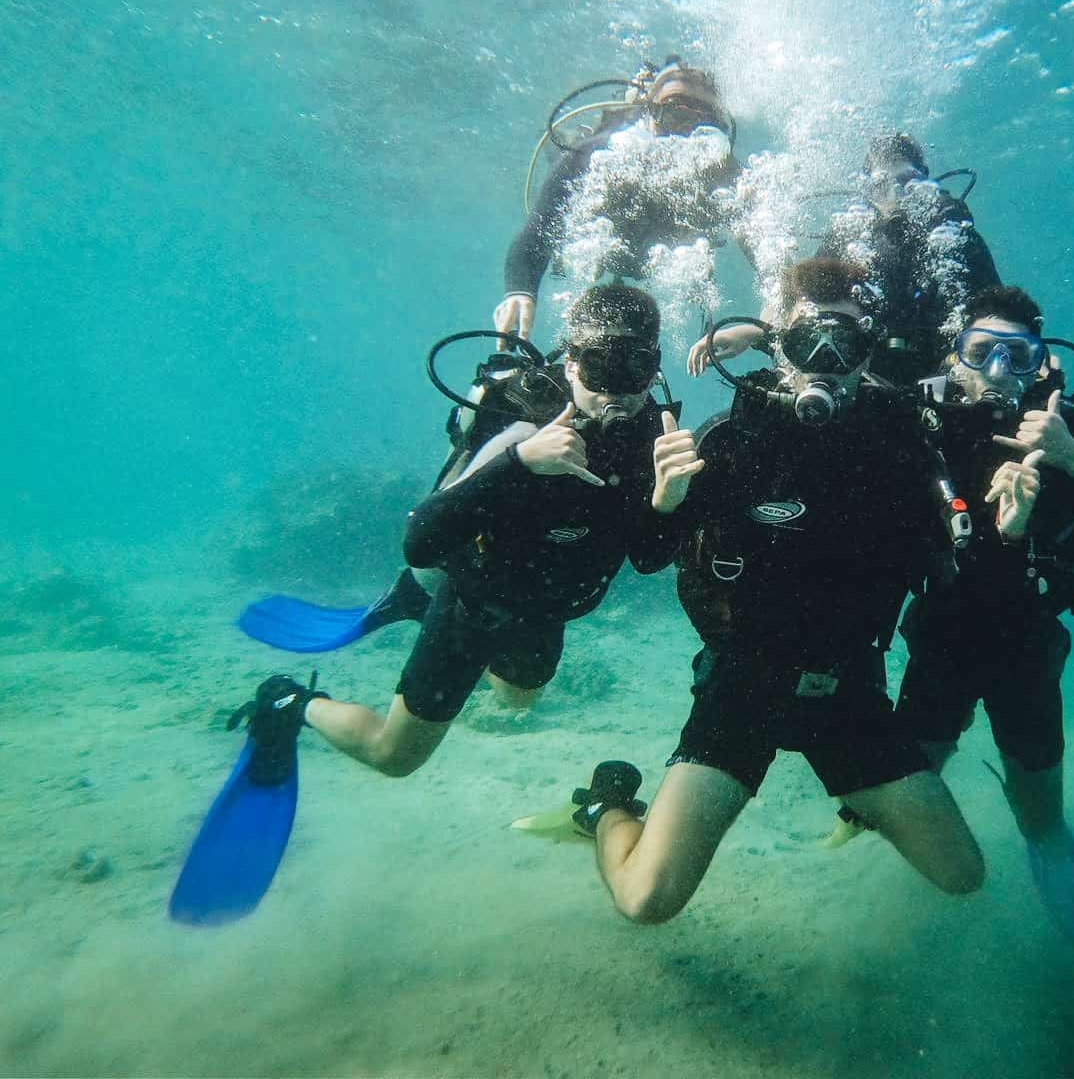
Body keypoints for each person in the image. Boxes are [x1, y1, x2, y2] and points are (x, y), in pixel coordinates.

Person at [561, 257, 986, 924]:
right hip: (742, 687)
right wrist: (666, 501)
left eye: (842, 344)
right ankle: (606, 804)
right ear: (779, 347)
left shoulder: (901, 447)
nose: (824, 360)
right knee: (647, 900)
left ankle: (862, 798)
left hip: (848, 692)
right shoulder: (732, 442)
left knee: (963, 874)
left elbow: (951, 578)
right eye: (803, 342)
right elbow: (647, 557)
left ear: (866, 353)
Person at [231, 285, 687, 778]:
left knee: (519, 700)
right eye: (601, 367)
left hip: (549, 610)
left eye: (635, 368)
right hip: (476, 604)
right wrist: (520, 461)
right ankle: (291, 701)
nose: (616, 391)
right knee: (395, 757)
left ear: (655, 368)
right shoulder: (521, 424)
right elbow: (420, 542)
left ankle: (415, 602)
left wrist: (668, 502)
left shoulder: (655, 438)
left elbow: (647, 559)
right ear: (572, 364)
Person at [861, 284, 1074, 951]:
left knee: (1039, 817)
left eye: (1018, 356)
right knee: (909, 786)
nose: (999, 370)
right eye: (982, 351)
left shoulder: (1071, 448)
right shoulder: (921, 436)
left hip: (1026, 653)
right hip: (938, 644)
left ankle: (1056, 871)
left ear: (1044, 366)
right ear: (955, 357)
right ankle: (885, 899)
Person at [689, 131, 998, 387]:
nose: (895, 194)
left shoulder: (955, 237)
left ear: (926, 184)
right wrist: (755, 330)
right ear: (867, 190)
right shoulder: (850, 235)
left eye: (907, 183)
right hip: (859, 380)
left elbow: (997, 313)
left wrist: (1023, 354)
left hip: (944, 381)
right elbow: (804, 300)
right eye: (880, 185)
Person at [496, 60, 741, 342]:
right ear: (649, 114)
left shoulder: (726, 170)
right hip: (604, 246)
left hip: (653, 253)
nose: (687, 133)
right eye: (675, 113)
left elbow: (765, 249)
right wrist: (520, 290)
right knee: (565, 155)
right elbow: (539, 228)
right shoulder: (596, 154)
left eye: (705, 120)